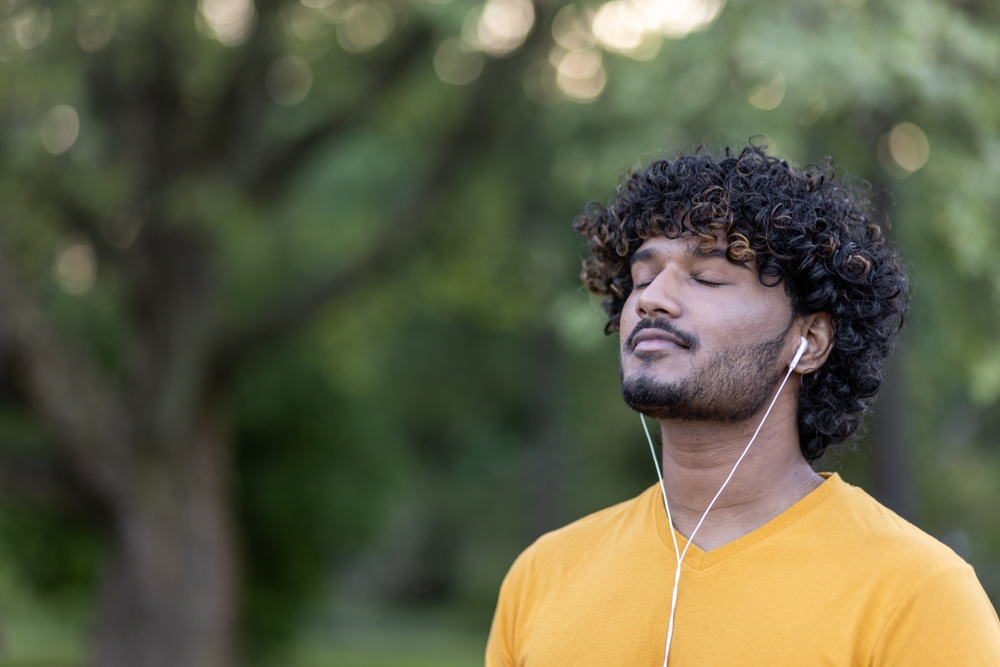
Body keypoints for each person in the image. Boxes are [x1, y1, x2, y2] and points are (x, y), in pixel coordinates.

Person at [485, 145, 1000, 666]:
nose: (650, 299)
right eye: (642, 279)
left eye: (707, 277)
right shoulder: (543, 575)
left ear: (810, 341)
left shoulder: (917, 593)